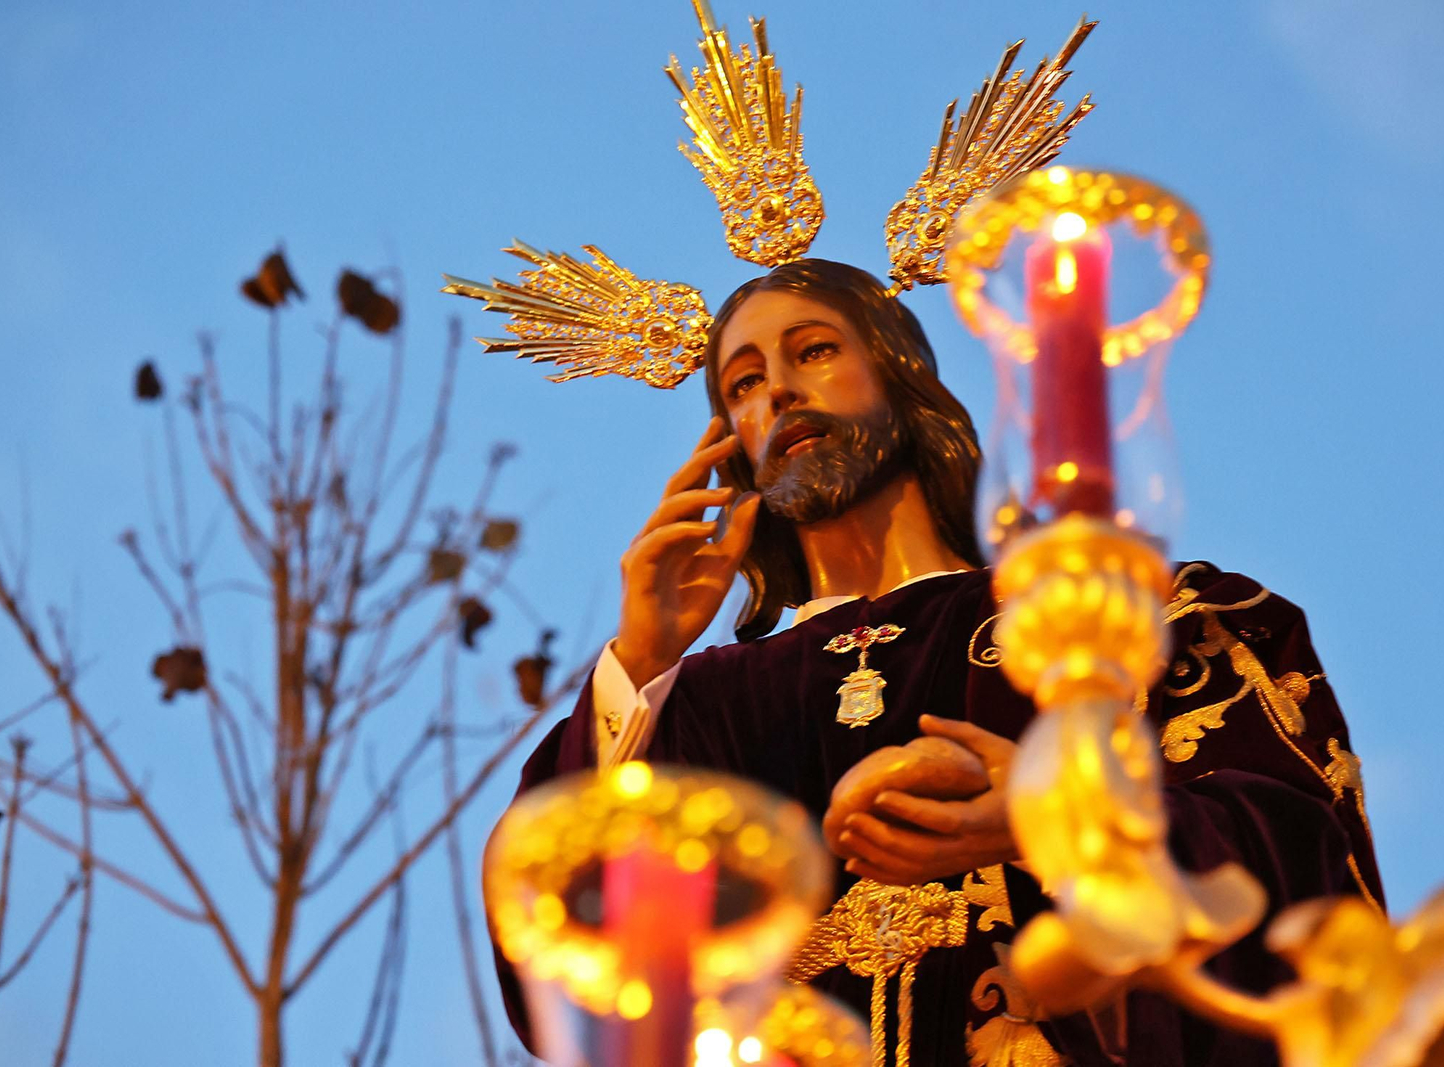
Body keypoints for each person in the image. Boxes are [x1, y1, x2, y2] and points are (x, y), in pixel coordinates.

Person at [493, 258, 1383, 1066]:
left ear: (902, 375)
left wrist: (1071, 822)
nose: (780, 394)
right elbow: (564, 957)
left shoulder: (1118, 617)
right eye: (745, 382)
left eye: (813, 352)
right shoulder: (695, 708)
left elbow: (1297, 846)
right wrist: (643, 653)